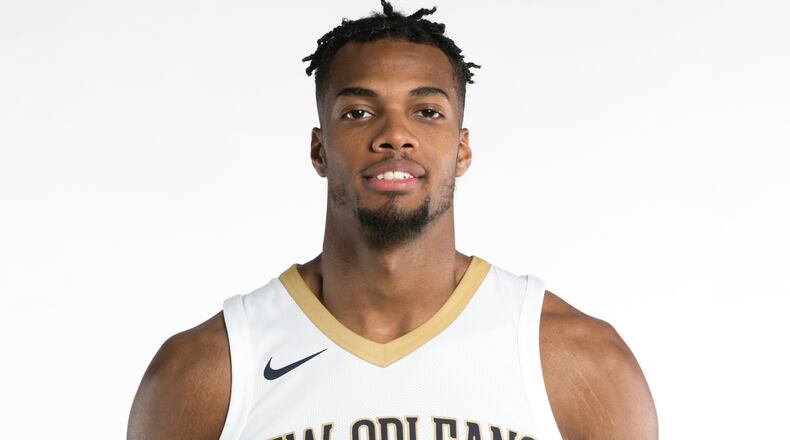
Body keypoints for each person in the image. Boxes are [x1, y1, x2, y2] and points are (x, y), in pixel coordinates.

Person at [127, 2, 658, 439]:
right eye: (358, 112)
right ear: (318, 149)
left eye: (427, 112)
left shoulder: (575, 362)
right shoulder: (208, 372)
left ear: (463, 148)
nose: (394, 135)